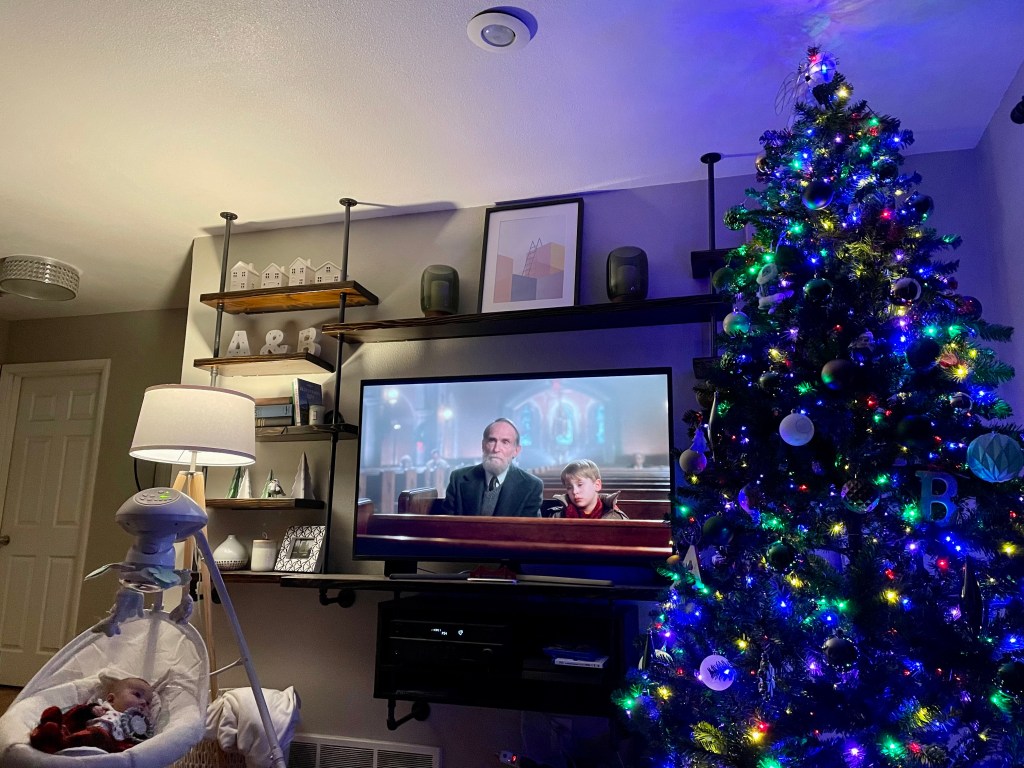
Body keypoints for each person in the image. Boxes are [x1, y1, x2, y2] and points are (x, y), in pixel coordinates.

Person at [439, 418, 542, 517]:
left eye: (505, 442)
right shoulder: (458, 478)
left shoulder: (531, 486)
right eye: (492, 440)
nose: (496, 449)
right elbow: (447, 524)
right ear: (483, 445)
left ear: (516, 451)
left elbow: (528, 528)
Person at [29, 675, 155, 754]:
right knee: (80, 727)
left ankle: (59, 744)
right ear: (111, 699)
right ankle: (52, 735)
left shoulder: (138, 729)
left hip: (110, 748)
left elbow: (137, 746)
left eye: (148, 703)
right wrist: (90, 710)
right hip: (87, 735)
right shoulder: (102, 709)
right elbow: (75, 717)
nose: (143, 703)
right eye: (137, 695)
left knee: (102, 738)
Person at [551, 459, 629, 520]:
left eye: (580, 485)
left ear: (597, 485)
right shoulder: (557, 517)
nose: (575, 491)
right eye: (569, 487)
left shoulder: (615, 518)